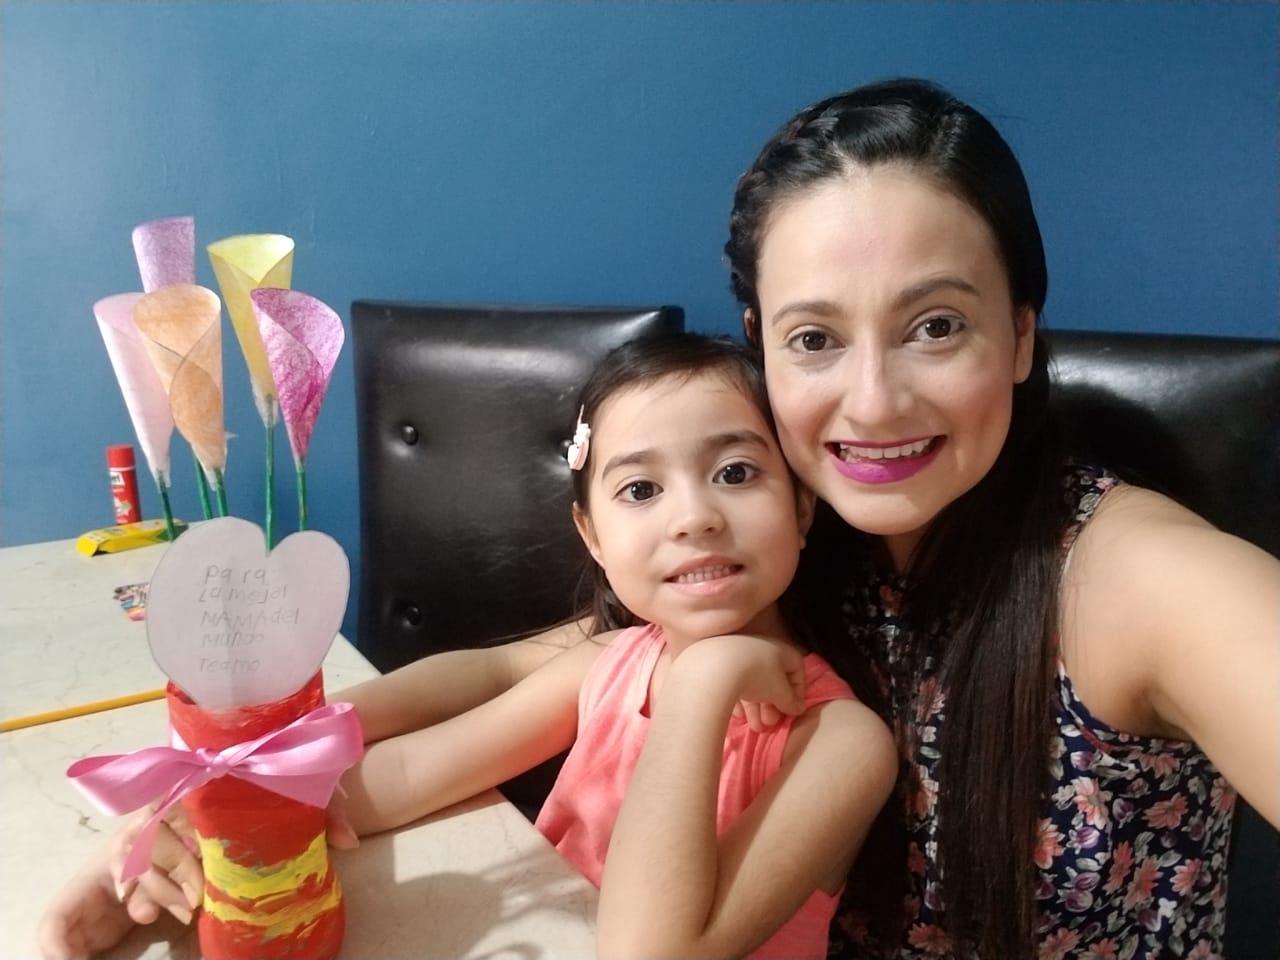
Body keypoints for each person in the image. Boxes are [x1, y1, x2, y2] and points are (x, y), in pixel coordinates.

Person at [42, 77, 1280, 960]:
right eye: (813, 338)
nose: (870, 399)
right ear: (761, 350)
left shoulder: (1133, 579)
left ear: (1018, 334)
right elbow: (517, 670)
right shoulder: (806, 535)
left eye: (936, 325)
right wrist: (222, 796)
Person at [40, 333, 896, 960]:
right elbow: (394, 782)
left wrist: (706, 685)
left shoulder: (842, 743)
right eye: (640, 488)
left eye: (736, 473)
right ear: (593, 538)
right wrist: (190, 826)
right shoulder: (608, 668)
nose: (695, 516)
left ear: (802, 507)